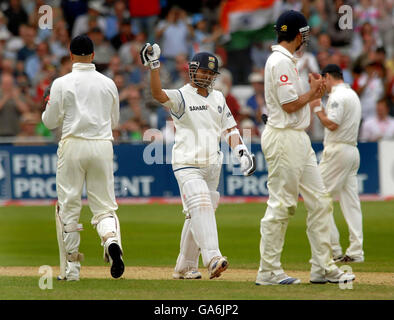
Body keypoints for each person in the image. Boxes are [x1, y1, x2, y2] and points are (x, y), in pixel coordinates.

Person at [140, 43, 256, 279]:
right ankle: (213, 257)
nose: (206, 75)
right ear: (192, 71)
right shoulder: (182, 96)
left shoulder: (219, 98)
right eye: (202, 71)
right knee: (202, 204)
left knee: (198, 213)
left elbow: (230, 129)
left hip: (212, 165)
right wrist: (154, 66)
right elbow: (157, 94)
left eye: (210, 73)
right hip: (187, 163)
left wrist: (242, 152)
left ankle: (184, 266)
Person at [256, 10, 355, 285]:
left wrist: (312, 93)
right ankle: (268, 271)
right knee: (283, 205)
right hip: (284, 137)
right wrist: (314, 94)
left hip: (297, 138)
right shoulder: (280, 61)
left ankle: (322, 267)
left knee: (321, 201)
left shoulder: (286, 60)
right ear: (298, 35)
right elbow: (288, 105)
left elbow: (293, 103)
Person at [41, 35, 124, 281]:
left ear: (70, 55)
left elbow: (49, 121)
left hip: (73, 145)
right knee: (104, 207)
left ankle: (72, 270)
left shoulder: (61, 83)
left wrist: (48, 103)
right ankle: (111, 240)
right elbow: (115, 121)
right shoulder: (108, 83)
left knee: (68, 207)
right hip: (102, 145)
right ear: (93, 55)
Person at [311, 64, 364, 263]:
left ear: (326, 77)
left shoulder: (338, 96)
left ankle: (333, 250)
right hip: (352, 150)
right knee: (351, 203)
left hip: (338, 150)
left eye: (322, 80)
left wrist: (317, 107)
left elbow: (332, 124)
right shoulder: (352, 95)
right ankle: (356, 251)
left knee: (318, 197)